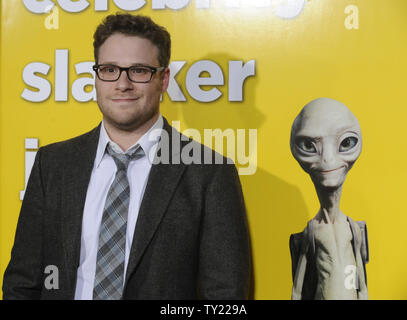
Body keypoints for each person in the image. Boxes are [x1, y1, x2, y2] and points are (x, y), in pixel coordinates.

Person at [3, 13, 251, 300]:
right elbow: (22, 282)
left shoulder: (208, 172)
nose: (123, 84)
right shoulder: (53, 164)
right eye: (109, 69)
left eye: (139, 70)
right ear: (96, 76)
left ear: (163, 79)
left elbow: (224, 296)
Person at [289, 98, 369, 300]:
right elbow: (299, 283)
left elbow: (358, 275)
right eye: (309, 145)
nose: (328, 160)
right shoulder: (312, 230)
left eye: (345, 143)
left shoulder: (352, 228)